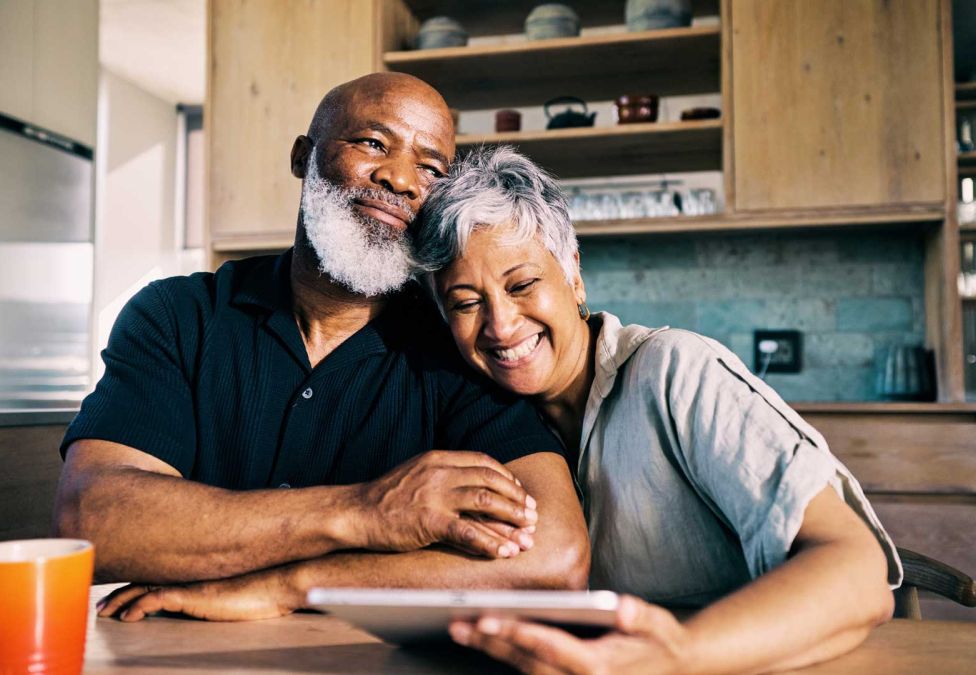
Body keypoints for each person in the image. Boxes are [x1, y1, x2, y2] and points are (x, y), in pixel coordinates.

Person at [53, 74, 589, 623]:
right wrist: (365, 512)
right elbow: (91, 521)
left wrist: (295, 584)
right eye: (373, 143)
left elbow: (555, 555)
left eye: (430, 169)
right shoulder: (178, 316)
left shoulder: (456, 346)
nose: (400, 179)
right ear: (302, 157)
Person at [411, 145, 901, 674]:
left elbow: (858, 571)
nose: (501, 325)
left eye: (523, 284)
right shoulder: (481, 423)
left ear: (573, 273)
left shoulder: (674, 371)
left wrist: (676, 656)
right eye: (466, 302)